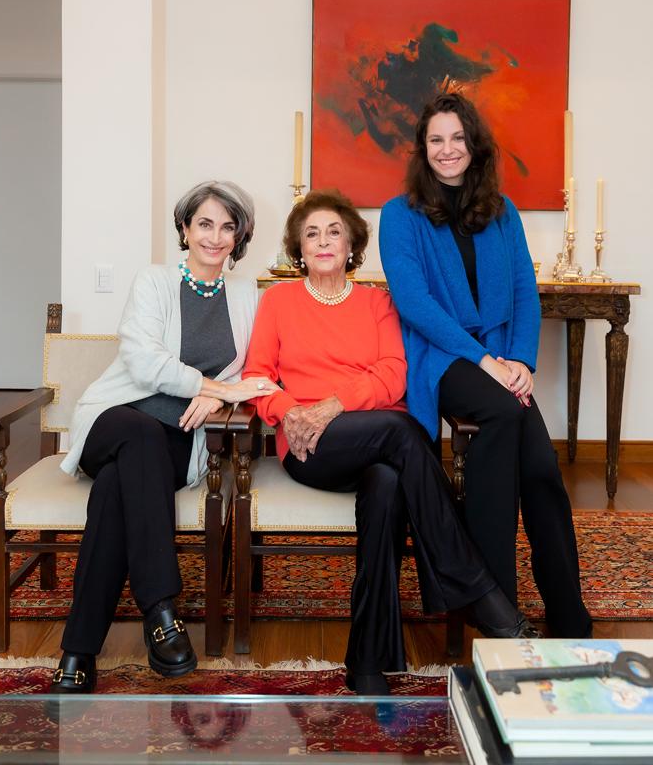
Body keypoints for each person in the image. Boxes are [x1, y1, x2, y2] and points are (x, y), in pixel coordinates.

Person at [243, 188, 538, 698]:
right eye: (312, 234)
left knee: (385, 484)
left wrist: (333, 403)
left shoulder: (378, 302)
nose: (324, 241)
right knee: (403, 433)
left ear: (351, 245)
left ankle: (366, 662)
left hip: (378, 441)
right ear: (299, 248)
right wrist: (290, 412)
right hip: (313, 447)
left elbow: (394, 375)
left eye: (334, 231)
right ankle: (477, 590)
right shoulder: (278, 301)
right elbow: (257, 377)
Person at [50, 181, 277, 695]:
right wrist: (213, 386)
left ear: (239, 236)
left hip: (179, 439)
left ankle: (78, 651)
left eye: (227, 227)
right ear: (184, 228)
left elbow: (259, 372)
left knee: (115, 488)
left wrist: (220, 397)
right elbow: (143, 361)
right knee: (140, 437)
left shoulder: (249, 296)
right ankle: (159, 608)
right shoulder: (154, 281)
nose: (215, 237)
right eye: (204, 224)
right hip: (115, 419)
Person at [379, 91, 592, 639]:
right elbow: (414, 302)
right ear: (422, 148)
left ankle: (568, 613)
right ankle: (498, 605)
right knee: (504, 414)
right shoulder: (400, 216)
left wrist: (519, 360)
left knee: (541, 469)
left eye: (457, 138)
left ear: (474, 145)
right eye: (436, 140)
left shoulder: (502, 212)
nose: (447, 149)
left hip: (500, 358)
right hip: (440, 356)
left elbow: (524, 290)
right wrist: (482, 359)